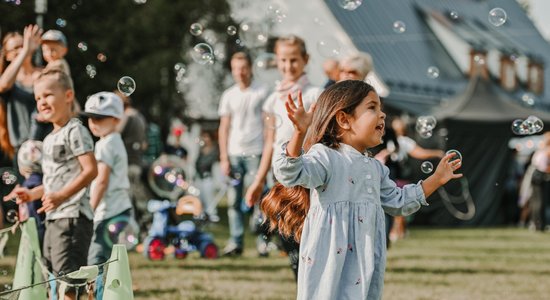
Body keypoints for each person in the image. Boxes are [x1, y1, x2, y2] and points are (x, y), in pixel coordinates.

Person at [262, 80, 462, 299]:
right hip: (329, 259)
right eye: (372, 107)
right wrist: (299, 133)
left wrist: (436, 179)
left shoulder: (375, 168)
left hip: (363, 259)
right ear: (344, 120)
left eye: (381, 108)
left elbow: (400, 202)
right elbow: (289, 173)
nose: (383, 115)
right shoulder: (326, 157)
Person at [5, 69, 97, 300]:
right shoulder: (48, 139)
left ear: (68, 96)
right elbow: (52, 183)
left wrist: (61, 197)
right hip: (54, 217)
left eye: (47, 95)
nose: (41, 102)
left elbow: (90, 170)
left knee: (68, 282)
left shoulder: (75, 130)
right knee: (54, 277)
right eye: (37, 98)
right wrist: (31, 194)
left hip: (73, 217)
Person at [245, 35, 322, 274]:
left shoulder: (315, 94)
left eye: (294, 60)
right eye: (283, 60)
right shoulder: (271, 100)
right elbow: (270, 142)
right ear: (276, 62)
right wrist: (258, 181)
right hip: (279, 176)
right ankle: (301, 280)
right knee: (288, 237)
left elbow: (320, 137)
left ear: (305, 60)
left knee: (309, 237)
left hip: (306, 174)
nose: (288, 66)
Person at [81, 91, 133, 299]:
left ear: (116, 119)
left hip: (108, 210)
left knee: (97, 261)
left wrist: (90, 208)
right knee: (111, 261)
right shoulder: (114, 141)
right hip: (119, 208)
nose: (94, 123)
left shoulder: (106, 144)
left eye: (100, 118)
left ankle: (100, 296)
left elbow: (102, 180)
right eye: (91, 118)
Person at [218, 51, 270, 256]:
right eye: (235, 68)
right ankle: (235, 242)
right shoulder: (228, 95)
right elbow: (224, 128)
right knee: (233, 201)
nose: (239, 72)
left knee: (259, 198)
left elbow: (269, 125)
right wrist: (223, 157)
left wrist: (268, 152)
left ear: (250, 68)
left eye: (243, 68)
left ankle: (262, 241)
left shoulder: (262, 91)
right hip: (233, 153)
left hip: (256, 152)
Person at [387, 116, 444, 241]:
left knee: (398, 203)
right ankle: (397, 231)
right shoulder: (388, 139)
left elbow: (420, 153)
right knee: (396, 204)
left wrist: (437, 153)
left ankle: (398, 231)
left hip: (398, 175)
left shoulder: (404, 141)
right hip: (391, 175)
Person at [0, 25, 43, 166]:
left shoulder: (44, 73)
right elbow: (3, 85)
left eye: (23, 45)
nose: (21, 50)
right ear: (6, 55)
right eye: (16, 48)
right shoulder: (9, 81)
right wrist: (25, 50)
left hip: (48, 143)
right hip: (23, 149)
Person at [114, 90, 149, 236]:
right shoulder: (140, 117)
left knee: (126, 200)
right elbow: (144, 144)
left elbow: (114, 133)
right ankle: (143, 231)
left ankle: (129, 232)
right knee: (136, 200)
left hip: (126, 163)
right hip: (137, 162)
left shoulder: (126, 116)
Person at [195, 130, 220, 222]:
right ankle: (201, 214)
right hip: (199, 177)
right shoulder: (200, 150)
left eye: (206, 137)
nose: (205, 139)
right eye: (203, 137)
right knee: (199, 197)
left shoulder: (215, 150)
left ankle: (212, 215)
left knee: (209, 197)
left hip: (209, 177)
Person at [528, 132, 550, 231]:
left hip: (536, 176)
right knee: (541, 201)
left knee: (536, 201)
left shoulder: (540, 150)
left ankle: (535, 223)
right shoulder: (546, 151)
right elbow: (545, 167)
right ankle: (540, 224)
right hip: (541, 176)